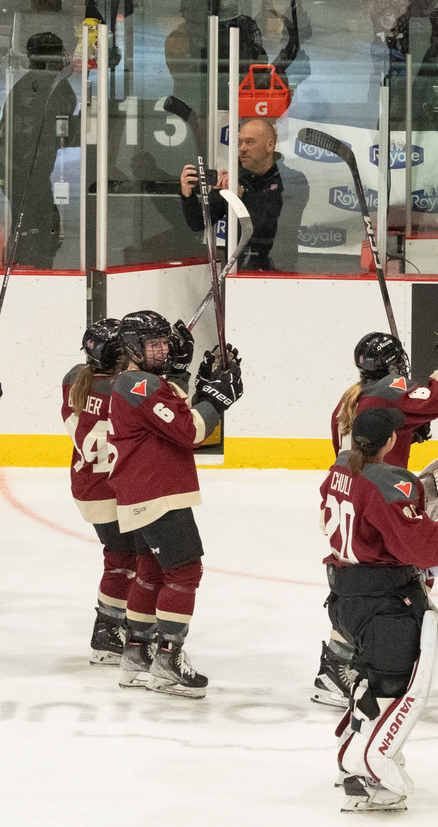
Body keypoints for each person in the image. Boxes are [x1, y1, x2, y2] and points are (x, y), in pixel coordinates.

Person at [320, 406, 438, 811]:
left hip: (346, 597)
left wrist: (415, 511)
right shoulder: (390, 483)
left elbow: (374, 519)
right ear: (391, 442)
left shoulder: (339, 469)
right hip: (384, 602)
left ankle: (352, 758)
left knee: (369, 681)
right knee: (397, 688)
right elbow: (420, 549)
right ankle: (370, 769)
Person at [311, 319, 438, 706]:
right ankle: (386, 662)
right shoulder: (390, 389)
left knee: (362, 580)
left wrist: (408, 427)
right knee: (402, 575)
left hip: (351, 495)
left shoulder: (351, 397)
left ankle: (336, 666)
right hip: (383, 499)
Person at [107, 312, 243, 698]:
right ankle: (168, 660)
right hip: (157, 492)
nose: (163, 349)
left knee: (151, 569)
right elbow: (189, 431)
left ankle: (136, 653)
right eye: (153, 344)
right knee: (185, 572)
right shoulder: (141, 385)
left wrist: (204, 390)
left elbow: (174, 415)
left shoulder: (137, 383)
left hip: (140, 492)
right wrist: (218, 400)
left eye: (164, 342)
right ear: (132, 347)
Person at [64, 319, 133, 667]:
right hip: (111, 490)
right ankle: (108, 631)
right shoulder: (124, 389)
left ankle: (116, 626)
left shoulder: (74, 380)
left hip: (87, 484)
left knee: (123, 556)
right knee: (124, 560)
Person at [177, 117, 307, 272]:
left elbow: (272, 223)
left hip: (279, 271)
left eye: (250, 142)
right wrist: (187, 195)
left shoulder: (293, 179)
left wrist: (242, 195)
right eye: (240, 142)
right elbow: (198, 223)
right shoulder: (234, 179)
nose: (242, 148)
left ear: (270, 145)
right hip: (238, 272)